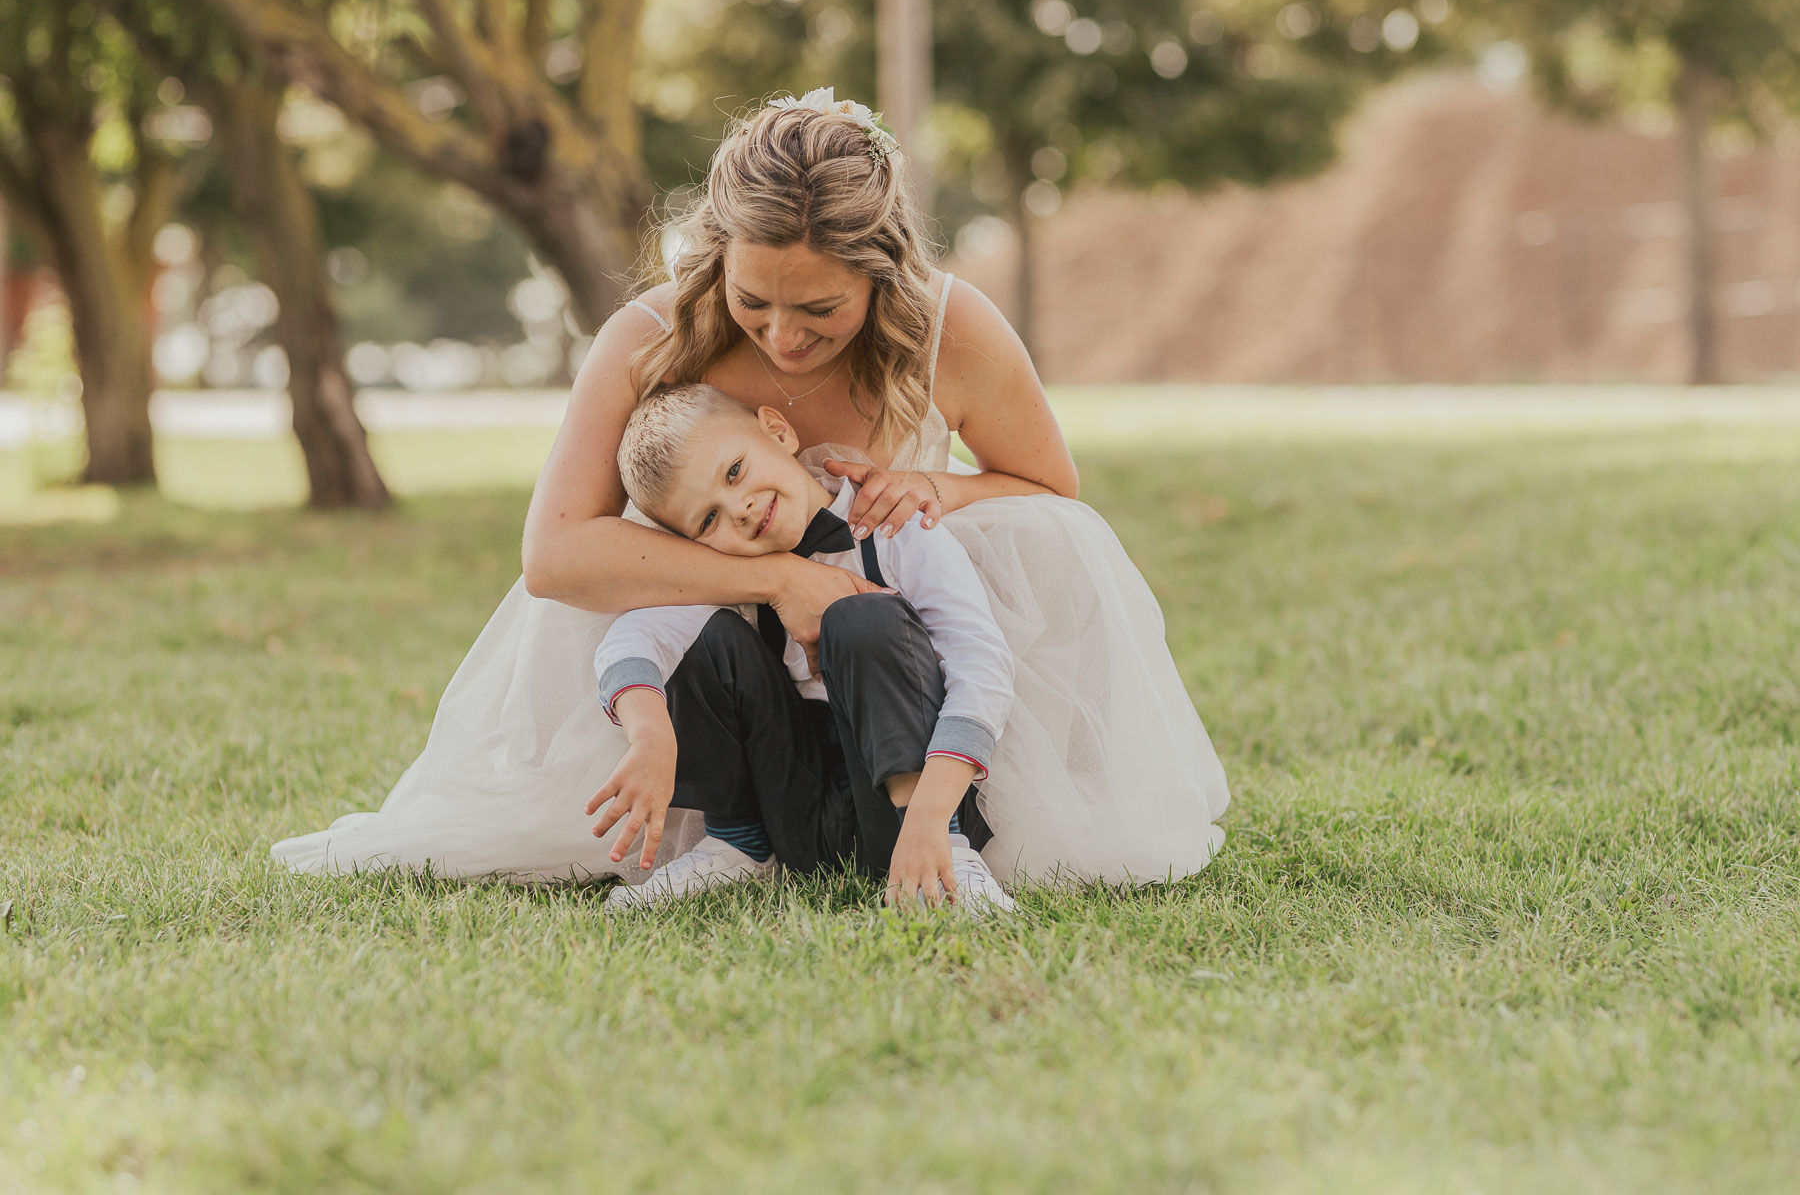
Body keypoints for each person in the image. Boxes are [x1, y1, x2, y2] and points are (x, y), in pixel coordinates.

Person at [271, 88, 1229, 887]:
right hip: (714, 652)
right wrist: (772, 580)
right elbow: (555, 555)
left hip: (896, 627)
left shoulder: (952, 329)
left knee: (1044, 546)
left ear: (882, 273)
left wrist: (926, 489)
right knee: (638, 603)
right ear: (715, 255)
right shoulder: (645, 341)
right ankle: (733, 826)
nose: (782, 336)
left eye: (820, 308)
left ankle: (939, 814)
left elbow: (1047, 488)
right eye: (752, 301)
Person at [589, 383, 1015, 913]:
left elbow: (982, 664)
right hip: (793, 815)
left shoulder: (897, 533)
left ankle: (948, 852)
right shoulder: (733, 573)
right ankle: (739, 847)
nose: (739, 509)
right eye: (707, 520)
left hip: (911, 805)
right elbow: (631, 639)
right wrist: (650, 734)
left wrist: (931, 815)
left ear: (778, 431)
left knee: (862, 617)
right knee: (707, 636)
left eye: (734, 471)